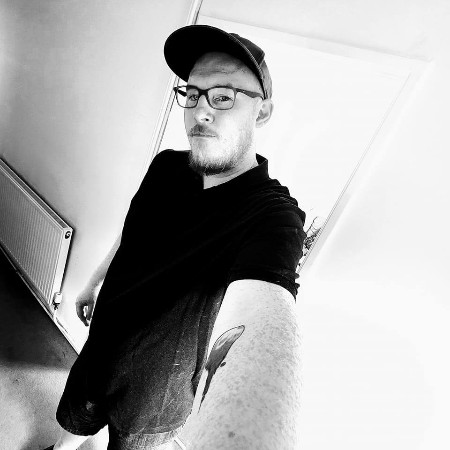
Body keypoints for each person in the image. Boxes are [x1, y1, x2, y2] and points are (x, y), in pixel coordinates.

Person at [47, 24, 306, 450]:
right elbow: (132, 231)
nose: (200, 112)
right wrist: (94, 281)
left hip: (158, 391)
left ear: (261, 112)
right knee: (72, 429)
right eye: (193, 93)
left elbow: (265, 308)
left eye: (223, 96)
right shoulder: (166, 166)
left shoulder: (272, 215)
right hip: (100, 347)